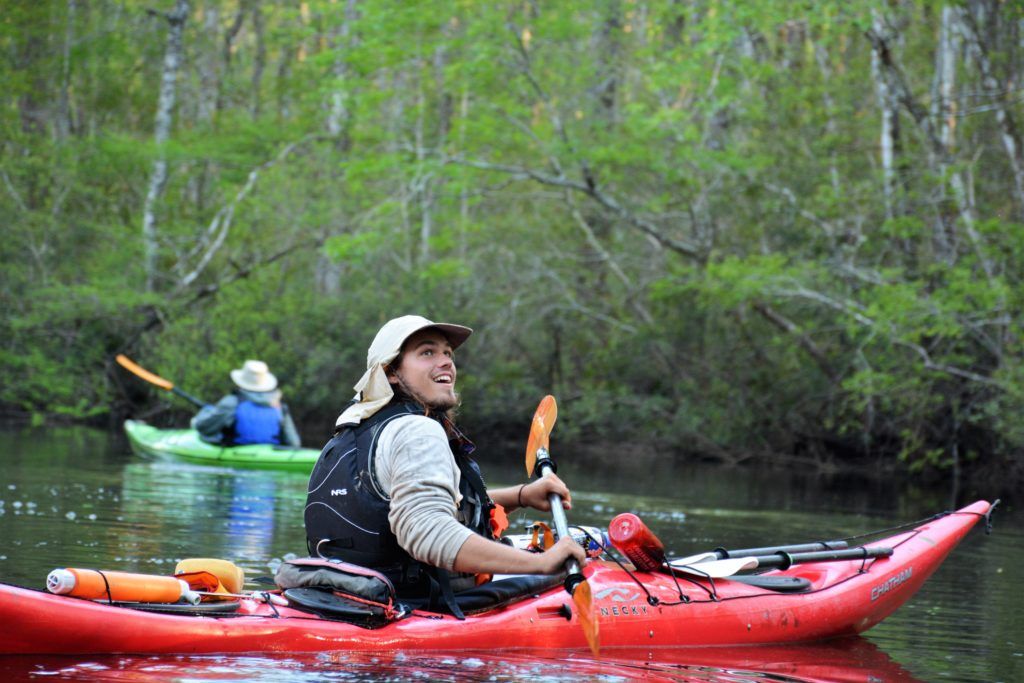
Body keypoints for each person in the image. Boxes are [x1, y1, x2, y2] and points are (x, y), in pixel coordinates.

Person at [304, 315, 586, 609]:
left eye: (448, 354)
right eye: (427, 353)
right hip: (412, 610)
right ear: (390, 371)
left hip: (342, 599)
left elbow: (402, 508)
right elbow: (429, 533)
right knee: (586, 571)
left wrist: (521, 496)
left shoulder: (349, 433)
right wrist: (541, 563)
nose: (446, 362)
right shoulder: (418, 429)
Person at [191, 359, 302, 447]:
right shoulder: (279, 406)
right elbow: (294, 443)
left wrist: (196, 421)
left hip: (237, 453)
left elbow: (204, 428)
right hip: (270, 452)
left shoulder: (232, 402)